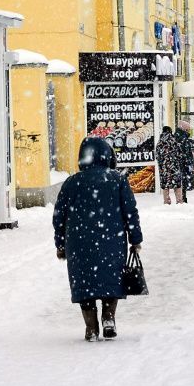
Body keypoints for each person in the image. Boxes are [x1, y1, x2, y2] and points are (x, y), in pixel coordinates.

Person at [53, 136, 143, 341]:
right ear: (106, 155)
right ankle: (109, 318)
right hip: (111, 239)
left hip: (79, 241)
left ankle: (91, 327)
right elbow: (130, 211)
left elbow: (59, 216)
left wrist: (60, 243)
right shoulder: (117, 179)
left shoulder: (71, 182)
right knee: (110, 279)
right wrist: (135, 239)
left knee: (85, 282)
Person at [156, 125, 183, 204]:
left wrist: (162, 163)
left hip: (164, 168)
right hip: (174, 166)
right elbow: (180, 154)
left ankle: (166, 201)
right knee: (177, 184)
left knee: (165, 185)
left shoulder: (160, 142)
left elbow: (157, 156)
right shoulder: (174, 141)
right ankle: (179, 201)